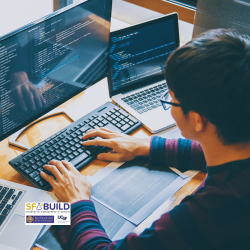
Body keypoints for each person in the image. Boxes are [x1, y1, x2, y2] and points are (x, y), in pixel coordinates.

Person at [40, 29, 250, 249]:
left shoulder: (209, 213)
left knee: (34, 215)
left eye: (172, 99)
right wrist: (147, 145)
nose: (169, 104)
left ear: (198, 120)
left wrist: (76, 203)